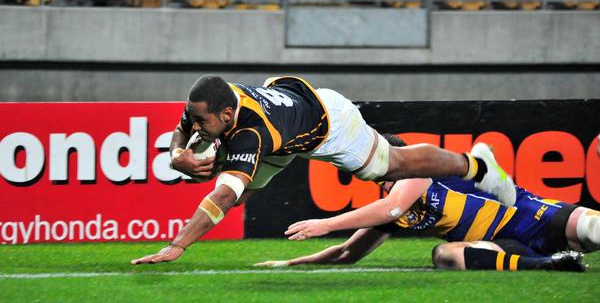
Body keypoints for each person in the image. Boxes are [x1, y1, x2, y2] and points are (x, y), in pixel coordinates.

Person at [131, 76, 515, 265]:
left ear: (227, 115)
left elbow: (221, 194)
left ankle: (477, 165)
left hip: (330, 125)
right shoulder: (213, 99)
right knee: (242, 191)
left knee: (393, 165)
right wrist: (176, 153)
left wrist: (178, 245)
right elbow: (184, 126)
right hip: (290, 123)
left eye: (203, 122)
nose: (194, 126)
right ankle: (476, 164)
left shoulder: (250, 133)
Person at [256, 135, 597, 272]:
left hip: (533, 216)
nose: (379, 177)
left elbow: (389, 209)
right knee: (444, 256)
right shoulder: (397, 204)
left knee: (592, 229)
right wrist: (293, 262)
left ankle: (555, 255)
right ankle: (549, 264)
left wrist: (325, 223)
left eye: (383, 168)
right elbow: (348, 253)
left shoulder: (420, 172)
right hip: (502, 245)